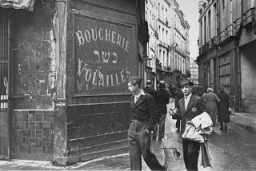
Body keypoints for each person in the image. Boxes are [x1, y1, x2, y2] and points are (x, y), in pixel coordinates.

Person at [127, 76, 166, 171]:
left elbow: (154, 115)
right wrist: (130, 127)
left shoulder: (148, 98)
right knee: (134, 155)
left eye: (130, 86)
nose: (128, 88)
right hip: (133, 127)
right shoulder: (132, 98)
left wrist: (148, 129)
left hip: (143, 126)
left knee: (146, 154)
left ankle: (159, 169)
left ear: (136, 86)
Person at [169, 79, 206, 171]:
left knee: (192, 153)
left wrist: (199, 127)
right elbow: (182, 116)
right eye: (182, 88)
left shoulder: (197, 100)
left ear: (191, 88)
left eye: (186, 87)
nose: (184, 89)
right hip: (185, 132)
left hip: (195, 132)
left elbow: (204, 115)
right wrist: (173, 114)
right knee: (186, 155)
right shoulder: (180, 101)